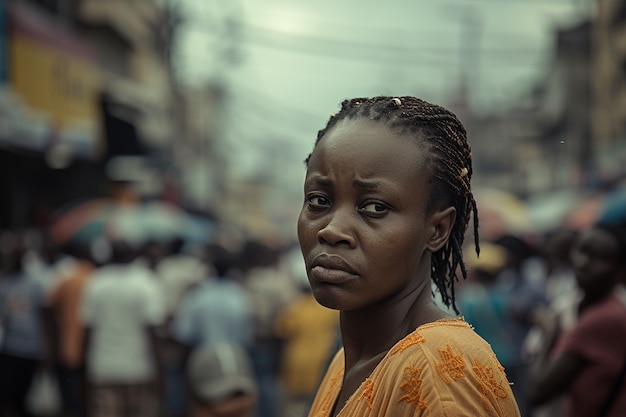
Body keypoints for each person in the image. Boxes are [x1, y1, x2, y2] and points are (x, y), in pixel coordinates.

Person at [297, 96, 521, 417]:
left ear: (437, 229)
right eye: (319, 200)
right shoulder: (344, 364)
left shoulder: (438, 371)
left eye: (375, 207)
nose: (332, 230)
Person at [528, 222, 626, 417]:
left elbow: (537, 390)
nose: (582, 263)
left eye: (599, 258)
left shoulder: (603, 318)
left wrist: (548, 330)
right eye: (581, 251)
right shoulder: (578, 306)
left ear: (619, 270)